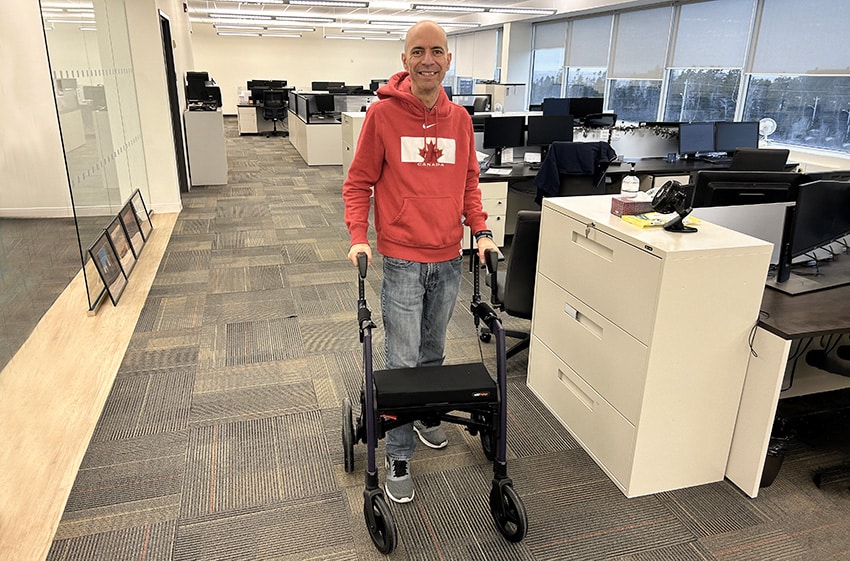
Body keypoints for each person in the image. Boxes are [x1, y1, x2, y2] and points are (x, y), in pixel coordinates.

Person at [342, 20, 499, 504]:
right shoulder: (382, 116)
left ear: (449, 60)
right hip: (404, 260)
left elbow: (470, 183)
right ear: (405, 59)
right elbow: (358, 182)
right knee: (403, 360)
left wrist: (483, 229)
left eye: (437, 51)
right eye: (418, 51)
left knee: (434, 352)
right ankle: (399, 453)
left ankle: (429, 417)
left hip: (449, 257)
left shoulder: (461, 120)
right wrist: (358, 236)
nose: (427, 59)